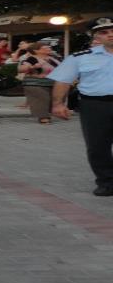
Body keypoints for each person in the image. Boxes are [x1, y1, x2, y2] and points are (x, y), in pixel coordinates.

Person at [49, 18, 113, 196]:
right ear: (96, 37)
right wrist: (58, 103)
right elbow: (63, 80)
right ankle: (106, 182)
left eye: (112, 30)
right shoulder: (80, 57)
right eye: (104, 32)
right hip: (95, 106)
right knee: (98, 146)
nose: (110, 34)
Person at [19, 43, 61, 124]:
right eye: (45, 48)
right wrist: (33, 67)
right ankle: (43, 117)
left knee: (53, 99)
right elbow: (21, 69)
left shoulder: (53, 59)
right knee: (43, 98)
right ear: (36, 50)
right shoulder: (31, 59)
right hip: (35, 83)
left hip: (51, 82)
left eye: (49, 47)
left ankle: (46, 114)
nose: (48, 48)